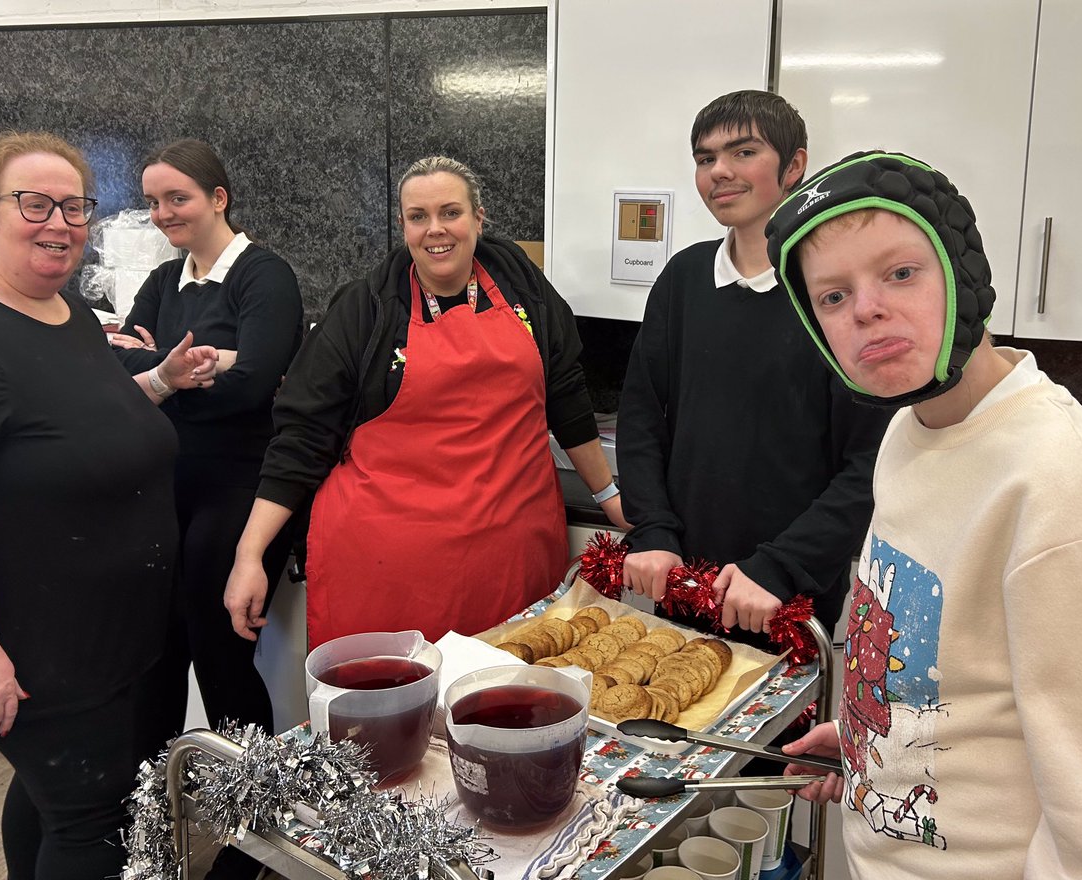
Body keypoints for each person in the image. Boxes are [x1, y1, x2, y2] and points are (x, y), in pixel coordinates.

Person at [771, 151, 1082, 878]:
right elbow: (949, 670)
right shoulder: (910, 430)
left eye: (900, 273)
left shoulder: (1057, 482)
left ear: (961, 275)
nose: (866, 307)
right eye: (833, 297)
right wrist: (874, 747)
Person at [0, 131, 218, 880]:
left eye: (75, 206)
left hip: (108, 634)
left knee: (54, 798)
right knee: (94, 822)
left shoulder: (63, 313)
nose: (60, 223)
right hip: (35, 649)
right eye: (34, 204)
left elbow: (83, 415)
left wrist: (159, 385)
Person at [224, 155, 624, 651]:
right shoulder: (366, 308)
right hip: (388, 569)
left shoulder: (525, 290)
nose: (435, 230)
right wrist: (250, 554)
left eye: (450, 212)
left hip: (510, 557)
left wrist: (608, 495)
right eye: (418, 216)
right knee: (391, 714)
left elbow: (565, 393)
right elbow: (303, 435)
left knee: (508, 706)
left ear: (479, 218)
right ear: (403, 226)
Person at [616, 90, 890, 640]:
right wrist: (654, 529)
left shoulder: (834, 293)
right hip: (683, 576)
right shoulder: (684, 279)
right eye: (704, 158)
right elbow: (642, 414)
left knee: (783, 728)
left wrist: (782, 566)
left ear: (794, 166)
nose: (720, 171)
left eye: (743, 153)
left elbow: (870, 462)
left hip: (785, 594)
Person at [112, 139, 303, 750]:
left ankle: (253, 829)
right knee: (158, 653)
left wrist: (163, 376)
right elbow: (115, 368)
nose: (163, 213)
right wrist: (195, 364)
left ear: (218, 198)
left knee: (219, 658)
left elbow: (253, 390)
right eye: (153, 202)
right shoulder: (166, 278)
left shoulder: (264, 275)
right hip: (167, 487)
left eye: (178, 198)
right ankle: (156, 814)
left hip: (242, 490)